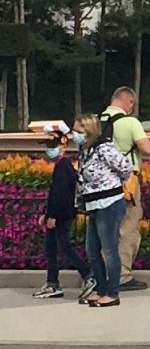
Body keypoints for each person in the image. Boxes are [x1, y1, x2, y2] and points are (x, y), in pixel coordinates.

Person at [74, 115, 133, 307]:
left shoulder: (104, 148)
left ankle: (112, 292)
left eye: (79, 132)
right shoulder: (85, 150)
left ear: (89, 131)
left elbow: (125, 167)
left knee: (109, 250)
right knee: (92, 250)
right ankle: (100, 288)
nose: (76, 135)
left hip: (109, 202)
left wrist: (111, 183)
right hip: (93, 204)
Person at [101, 86, 150, 292]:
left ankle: (102, 272)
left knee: (103, 228)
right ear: (129, 103)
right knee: (127, 227)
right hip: (125, 182)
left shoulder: (96, 121)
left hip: (100, 183)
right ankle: (122, 275)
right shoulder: (130, 122)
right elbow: (147, 148)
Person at [36, 126, 85, 301]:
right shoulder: (61, 166)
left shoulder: (64, 166)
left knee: (64, 247)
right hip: (56, 214)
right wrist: (46, 212)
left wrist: (53, 216)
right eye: (48, 145)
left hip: (61, 215)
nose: (50, 149)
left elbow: (62, 194)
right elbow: (54, 193)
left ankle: (88, 276)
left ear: (63, 146)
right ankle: (52, 282)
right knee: (51, 248)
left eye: (53, 145)